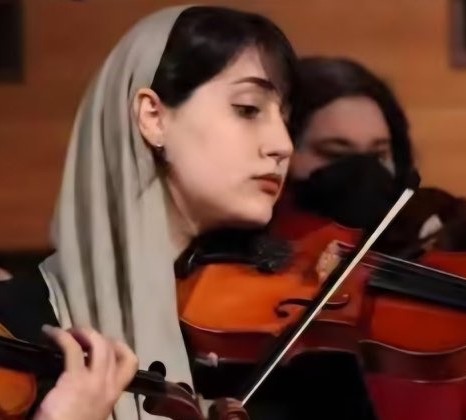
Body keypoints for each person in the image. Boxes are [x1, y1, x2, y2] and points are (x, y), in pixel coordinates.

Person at [0, 5, 298, 420]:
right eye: (248, 109)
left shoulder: (280, 352)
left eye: (285, 118)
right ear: (153, 117)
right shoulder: (15, 323)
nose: (283, 145)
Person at [271, 56, 466, 420]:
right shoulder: (267, 249)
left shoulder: (435, 226)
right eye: (335, 154)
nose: (364, 173)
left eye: (378, 154)